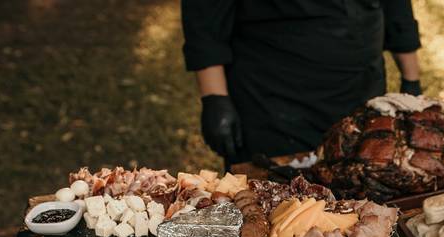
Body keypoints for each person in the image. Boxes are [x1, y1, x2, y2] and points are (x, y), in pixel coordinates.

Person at [181, 1, 422, 166]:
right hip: (272, 100)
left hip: (360, 91)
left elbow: (396, 7)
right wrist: (215, 98)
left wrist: (411, 81)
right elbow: (204, 18)